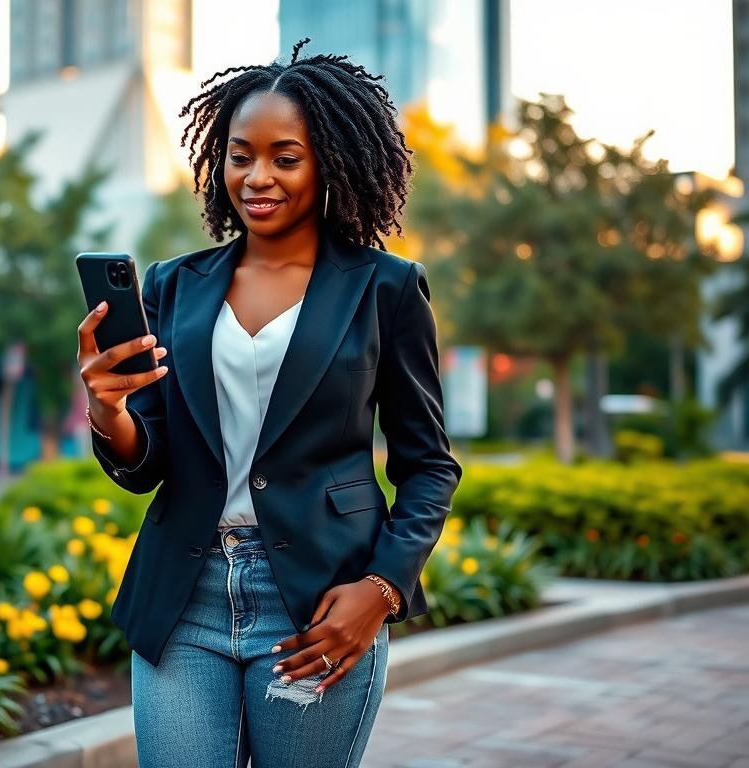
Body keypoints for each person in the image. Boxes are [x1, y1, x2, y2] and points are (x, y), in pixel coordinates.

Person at [77, 37, 463, 768]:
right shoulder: (174, 284)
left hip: (318, 600)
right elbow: (147, 459)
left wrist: (381, 590)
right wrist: (108, 410)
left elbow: (428, 466)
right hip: (183, 597)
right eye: (238, 154)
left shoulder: (385, 287)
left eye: (285, 157)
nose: (257, 176)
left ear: (330, 164)